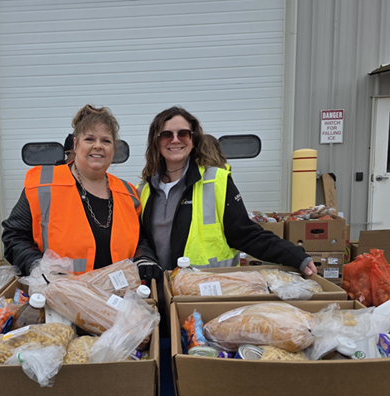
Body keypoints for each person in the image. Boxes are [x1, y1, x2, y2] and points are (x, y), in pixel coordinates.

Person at [133, 106, 314, 285]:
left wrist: (295, 256)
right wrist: (145, 260)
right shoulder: (145, 190)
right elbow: (142, 239)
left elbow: (246, 234)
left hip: (204, 290)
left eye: (183, 134)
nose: (174, 140)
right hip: (158, 289)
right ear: (156, 142)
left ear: (193, 139)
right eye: (166, 135)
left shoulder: (216, 181)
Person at [3, 105, 143, 275]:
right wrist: (37, 266)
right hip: (58, 296)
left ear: (113, 148)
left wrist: (145, 259)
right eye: (90, 139)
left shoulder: (128, 193)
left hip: (118, 296)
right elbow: (14, 236)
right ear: (76, 145)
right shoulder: (43, 185)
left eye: (106, 141)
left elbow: (141, 239)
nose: (98, 146)